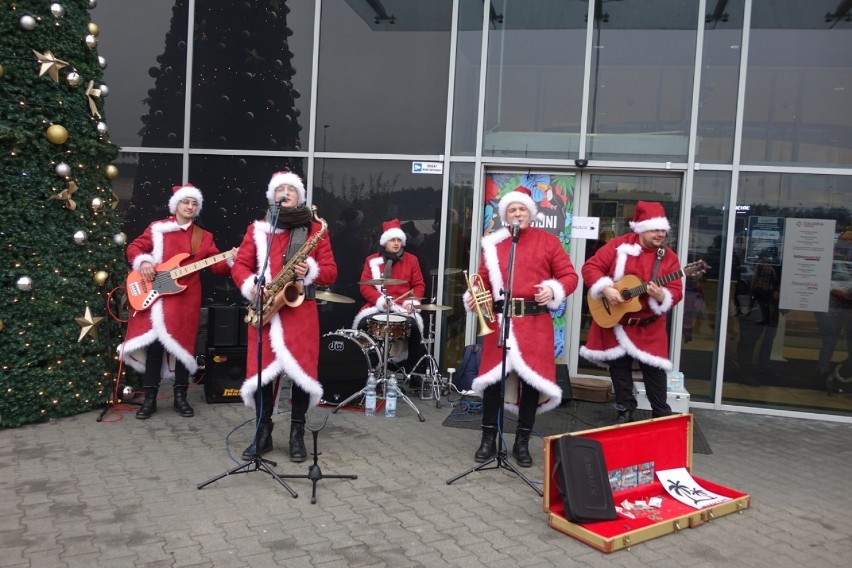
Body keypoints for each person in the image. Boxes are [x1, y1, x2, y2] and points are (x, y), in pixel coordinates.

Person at [463, 187, 578, 468]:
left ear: (531, 213)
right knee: (492, 381)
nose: (517, 214)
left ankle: (522, 441)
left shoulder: (548, 242)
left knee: (530, 383)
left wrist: (552, 290)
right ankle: (488, 438)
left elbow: (569, 276)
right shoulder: (494, 245)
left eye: (522, 209)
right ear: (505, 215)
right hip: (500, 322)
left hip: (535, 323)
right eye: (512, 210)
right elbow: (482, 280)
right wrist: (473, 297)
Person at [230, 171, 337, 462]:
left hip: (300, 313)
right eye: (281, 189)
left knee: (301, 376)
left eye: (292, 189)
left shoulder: (315, 230)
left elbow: (330, 271)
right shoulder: (257, 229)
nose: (286, 193)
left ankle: (296, 436)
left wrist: (309, 271)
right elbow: (239, 265)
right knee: (263, 376)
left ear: (300, 197)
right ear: (272, 196)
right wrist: (253, 285)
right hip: (265, 311)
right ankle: (262, 434)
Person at [119, 183, 234, 420]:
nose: (190, 206)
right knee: (154, 348)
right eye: (186, 202)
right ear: (176, 205)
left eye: (194, 203)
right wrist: (143, 262)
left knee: (183, 350)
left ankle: (180, 398)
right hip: (157, 299)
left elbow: (217, 266)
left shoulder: (203, 237)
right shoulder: (158, 228)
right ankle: (149, 399)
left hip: (186, 300)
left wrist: (232, 258)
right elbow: (135, 247)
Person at [580, 201, 684, 423]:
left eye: (663, 230)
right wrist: (606, 289)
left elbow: (676, 290)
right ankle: (624, 409)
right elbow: (590, 267)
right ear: (641, 228)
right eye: (655, 229)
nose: (660, 234)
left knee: (654, 370)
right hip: (617, 322)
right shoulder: (618, 246)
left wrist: (660, 296)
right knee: (619, 368)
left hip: (649, 325)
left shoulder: (668, 257)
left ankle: (661, 415)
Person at [353, 219, 428, 375]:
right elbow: (365, 286)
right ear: (385, 242)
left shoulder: (412, 260)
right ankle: (368, 369)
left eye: (399, 240)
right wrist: (380, 301)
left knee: (415, 329)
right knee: (362, 326)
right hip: (378, 307)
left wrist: (412, 302)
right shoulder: (372, 261)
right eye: (392, 240)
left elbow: (419, 285)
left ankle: (413, 373)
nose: (396, 243)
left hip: (403, 308)